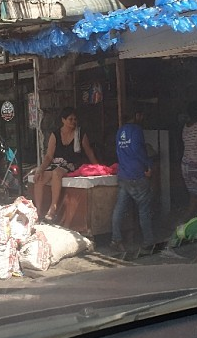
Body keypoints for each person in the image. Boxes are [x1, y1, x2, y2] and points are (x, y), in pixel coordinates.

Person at [34, 106, 99, 222]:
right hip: (56, 164)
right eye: (70, 119)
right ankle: (38, 212)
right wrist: (40, 169)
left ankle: (53, 209)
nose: (73, 122)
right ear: (63, 120)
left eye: (75, 119)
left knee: (56, 173)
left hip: (71, 165)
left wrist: (98, 168)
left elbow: (89, 152)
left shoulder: (80, 134)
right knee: (39, 178)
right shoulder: (55, 135)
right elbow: (49, 156)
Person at [110, 106, 155, 254]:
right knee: (144, 209)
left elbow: (119, 151)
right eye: (141, 115)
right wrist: (148, 165)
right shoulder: (136, 130)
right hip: (137, 174)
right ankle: (148, 241)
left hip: (124, 175)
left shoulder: (120, 131)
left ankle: (116, 239)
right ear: (136, 115)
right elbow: (138, 150)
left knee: (119, 208)